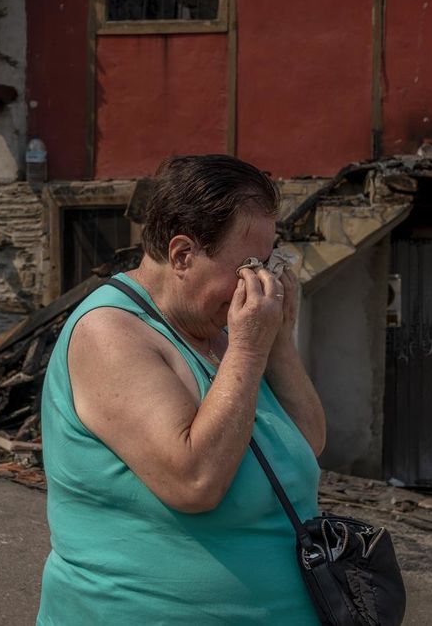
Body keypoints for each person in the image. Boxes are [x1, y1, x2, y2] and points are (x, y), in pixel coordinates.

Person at [37, 154, 327, 625]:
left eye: (269, 264)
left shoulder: (226, 331)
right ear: (182, 255)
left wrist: (278, 345)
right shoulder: (109, 333)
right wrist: (250, 350)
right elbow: (193, 482)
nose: (260, 285)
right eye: (248, 267)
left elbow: (308, 444)